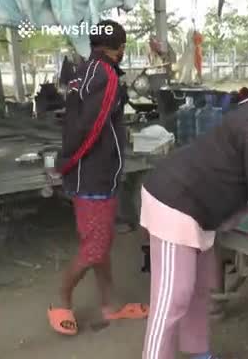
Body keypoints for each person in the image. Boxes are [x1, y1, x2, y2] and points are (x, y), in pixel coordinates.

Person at [140, 60, 248, 359]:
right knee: (173, 298)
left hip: (200, 206)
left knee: (197, 290)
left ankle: (198, 352)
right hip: (175, 202)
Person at [48, 19, 148, 336]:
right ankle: (61, 298)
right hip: (94, 175)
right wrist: (68, 162)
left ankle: (110, 305)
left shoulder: (83, 70)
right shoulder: (106, 77)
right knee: (95, 247)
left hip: (91, 172)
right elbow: (89, 129)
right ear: (118, 49)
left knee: (99, 242)